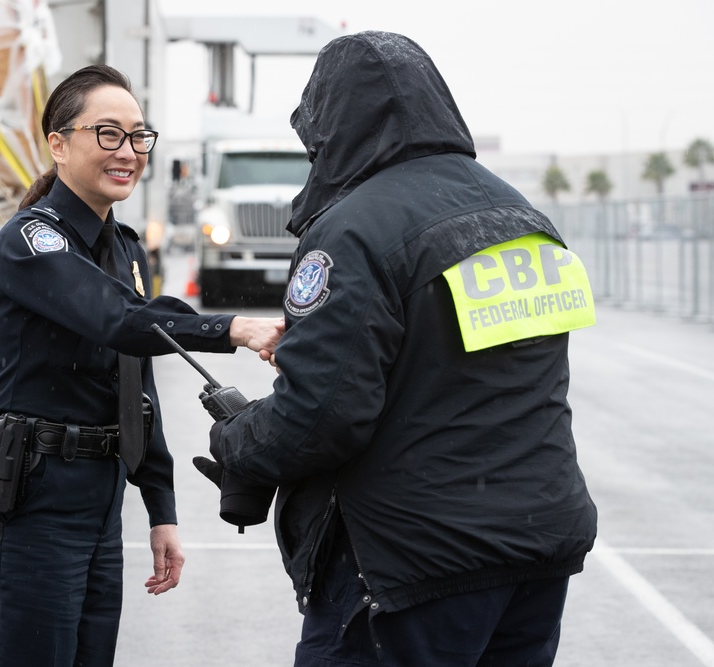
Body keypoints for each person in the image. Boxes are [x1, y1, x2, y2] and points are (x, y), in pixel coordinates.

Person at [206, 32, 598, 666]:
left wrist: (239, 440)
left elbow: (319, 418)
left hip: (413, 565)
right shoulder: (521, 215)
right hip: (538, 550)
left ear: (331, 124)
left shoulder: (354, 228)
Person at [0, 64, 283, 667]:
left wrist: (159, 510)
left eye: (139, 136)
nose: (129, 151)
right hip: (34, 500)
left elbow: (135, 384)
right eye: (108, 134)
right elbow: (118, 320)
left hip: (99, 500)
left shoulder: (126, 247)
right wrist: (234, 328)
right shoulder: (32, 242)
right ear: (58, 145)